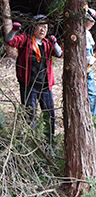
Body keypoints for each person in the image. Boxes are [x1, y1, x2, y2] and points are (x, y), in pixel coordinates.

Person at [5, 15, 63, 145]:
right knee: (30, 114)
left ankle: (49, 141)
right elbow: (9, 41)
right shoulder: (25, 40)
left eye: (45, 27)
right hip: (28, 85)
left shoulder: (48, 44)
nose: (43, 30)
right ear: (33, 27)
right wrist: (14, 30)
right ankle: (33, 141)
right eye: (40, 26)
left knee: (49, 114)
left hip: (45, 86)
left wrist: (55, 43)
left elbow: (59, 54)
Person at [85, 8, 96, 116]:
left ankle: (95, 114)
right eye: (91, 21)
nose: (92, 24)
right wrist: (87, 59)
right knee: (90, 93)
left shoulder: (87, 33)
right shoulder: (83, 34)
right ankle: (94, 115)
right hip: (84, 69)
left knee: (92, 92)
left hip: (88, 67)